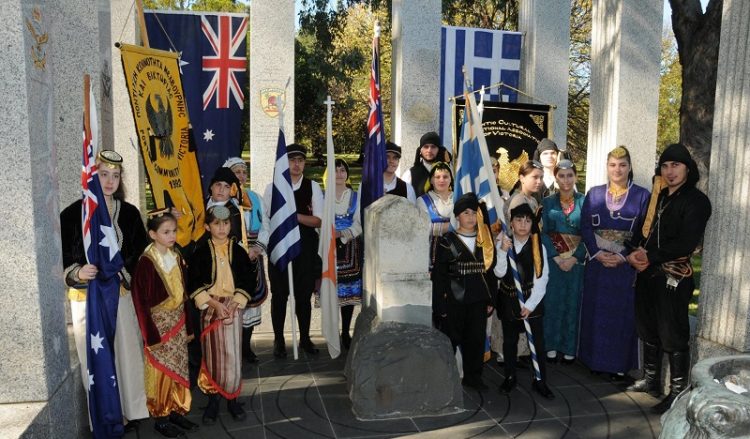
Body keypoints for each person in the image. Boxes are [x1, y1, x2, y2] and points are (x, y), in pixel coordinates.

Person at [60, 150, 149, 428]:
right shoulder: (74, 214)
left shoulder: (130, 213)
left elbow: (139, 253)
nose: (109, 181)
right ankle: (107, 415)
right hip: (87, 298)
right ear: (92, 175)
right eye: (103, 174)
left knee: (126, 351)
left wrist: (120, 273)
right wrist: (76, 271)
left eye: (115, 175)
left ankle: (131, 410)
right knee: (95, 357)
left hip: (120, 294)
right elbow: (62, 254)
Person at [625, 143, 711, 414]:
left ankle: (676, 393)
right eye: (665, 165)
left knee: (673, 335)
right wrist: (632, 253)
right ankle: (650, 381)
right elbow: (640, 231)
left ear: (688, 168)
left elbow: (685, 243)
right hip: (647, 275)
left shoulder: (697, 201)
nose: (670, 171)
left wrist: (649, 256)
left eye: (676, 165)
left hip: (673, 279)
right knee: (648, 329)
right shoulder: (658, 197)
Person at [579, 146, 650, 379]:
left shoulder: (642, 196)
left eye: (622, 165)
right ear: (607, 167)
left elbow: (644, 231)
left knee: (620, 316)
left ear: (629, 167)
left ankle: (618, 365)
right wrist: (596, 253)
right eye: (612, 165)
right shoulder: (595, 194)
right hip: (597, 265)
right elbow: (586, 227)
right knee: (596, 313)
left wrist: (622, 256)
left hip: (624, 267)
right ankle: (594, 361)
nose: (617, 169)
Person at [131, 210, 199, 438]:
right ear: (152, 234)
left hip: (178, 323)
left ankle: (175, 409)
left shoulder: (177, 256)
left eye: (174, 231)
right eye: (166, 232)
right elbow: (140, 302)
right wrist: (150, 335)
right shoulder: (146, 262)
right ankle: (160, 415)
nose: (172, 236)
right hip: (158, 327)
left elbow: (185, 293)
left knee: (178, 367)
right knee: (160, 371)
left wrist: (188, 324)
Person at [187, 205, 257, 425]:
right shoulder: (200, 251)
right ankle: (213, 399)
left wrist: (236, 303)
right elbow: (194, 282)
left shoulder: (238, 250)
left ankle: (232, 398)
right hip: (210, 306)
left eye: (226, 223)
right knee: (211, 355)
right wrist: (214, 304)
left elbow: (248, 279)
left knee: (233, 356)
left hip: (233, 309)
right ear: (207, 226)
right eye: (216, 224)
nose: (222, 228)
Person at [258, 143, 324, 358]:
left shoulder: (312, 187)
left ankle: (304, 338)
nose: (296, 164)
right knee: (279, 296)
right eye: (292, 160)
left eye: (300, 160)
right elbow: (266, 219)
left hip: (304, 248)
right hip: (280, 247)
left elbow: (318, 220)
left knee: (303, 296)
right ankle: (279, 339)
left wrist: (293, 216)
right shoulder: (273, 188)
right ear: (284, 163)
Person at [432, 193, 496, 390]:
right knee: (450, 338)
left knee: (475, 339)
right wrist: (439, 305)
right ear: (457, 216)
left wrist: (490, 298)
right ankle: (443, 376)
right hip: (453, 299)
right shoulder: (446, 241)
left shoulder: (484, 241)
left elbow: (490, 271)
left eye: (473, 213)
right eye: (465, 213)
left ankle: (473, 377)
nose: (470, 217)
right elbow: (439, 276)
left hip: (477, 298)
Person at [494, 196, 554, 399]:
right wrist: (502, 252)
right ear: (511, 222)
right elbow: (499, 273)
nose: (523, 224)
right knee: (509, 342)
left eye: (527, 221)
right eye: (518, 220)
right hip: (509, 299)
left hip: (531, 300)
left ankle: (540, 380)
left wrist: (530, 305)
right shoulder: (503, 244)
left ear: (533, 224)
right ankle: (509, 377)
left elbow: (542, 278)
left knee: (537, 342)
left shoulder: (539, 247)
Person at [223, 157, 268, 364]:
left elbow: (265, 225)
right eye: (237, 172)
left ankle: (246, 347)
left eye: (243, 172)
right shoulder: (222, 200)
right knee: (232, 301)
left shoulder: (255, 197)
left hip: (253, 256)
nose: (241, 176)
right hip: (230, 258)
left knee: (250, 302)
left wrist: (258, 248)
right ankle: (230, 349)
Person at [541, 160, 586, 364]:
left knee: (573, 302)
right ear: (556, 177)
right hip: (555, 261)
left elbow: (589, 234)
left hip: (576, 263)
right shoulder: (548, 202)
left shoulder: (585, 202)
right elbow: (543, 233)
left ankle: (569, 347)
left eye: (570, 175)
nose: (566, 180)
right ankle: (551, 345)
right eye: (561, 176)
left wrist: (576, 257)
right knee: (553, 302)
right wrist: (557, 257)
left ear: (575, 177)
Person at [327, 159, 363, 350]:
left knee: (348, 292)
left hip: (350, 248)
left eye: (343, 170)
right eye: (336, 170)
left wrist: (342, 234)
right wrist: (327, 235)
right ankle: (332, 330)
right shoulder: (325, 197)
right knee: (332, 290)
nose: (340, 174)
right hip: (329, 248)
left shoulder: (355, 197)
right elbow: (320, 221)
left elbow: (358, 223)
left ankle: (346, 331)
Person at [416, 162, 455, 271]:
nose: (441, 180)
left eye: (445, 177)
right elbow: (422, 229)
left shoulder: (458, 198)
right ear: (431, 180)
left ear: (451, 179)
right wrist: (452, 226)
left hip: (457, 257)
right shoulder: (423, 201)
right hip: (432, 260)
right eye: (437, 177)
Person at [402, 131, 449, 197]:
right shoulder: (410, 174)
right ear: (420, 150)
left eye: (433, 147)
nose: (429, 150)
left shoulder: (448, 172)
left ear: (439, 150)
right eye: (426, 147)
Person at [204, 166, 244, 243]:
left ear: (231, 191)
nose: (221, 190)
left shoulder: (233, 213)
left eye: (227, 186)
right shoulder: (199, 206)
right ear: (211, 186)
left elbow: (233, 241)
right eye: (218, 184)